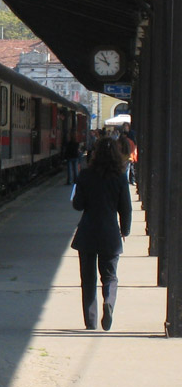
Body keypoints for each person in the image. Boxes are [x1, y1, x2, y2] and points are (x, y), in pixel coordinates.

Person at [71, 136, 131, 331]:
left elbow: (78, 205)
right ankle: (109, 301)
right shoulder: (120, 178)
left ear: (95, 154)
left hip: (87, 232)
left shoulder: (86, 175)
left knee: (88, 279)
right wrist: (125, 229)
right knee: (110, 277)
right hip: (110, 234)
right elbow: (126, 208)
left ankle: (91, 321)